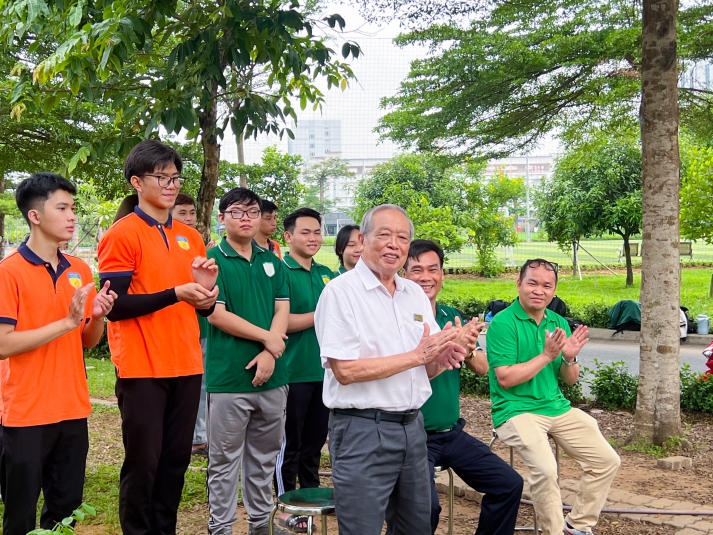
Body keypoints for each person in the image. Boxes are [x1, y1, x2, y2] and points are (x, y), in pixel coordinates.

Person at [314, 204, 467, 535]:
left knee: (415, 526)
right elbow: (345, 371)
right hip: (362, 431)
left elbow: (421, 370)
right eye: (384, 234)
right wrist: (417, 355)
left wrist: (445, 355)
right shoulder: (340, 293)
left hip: (413, 428)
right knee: (362, 528)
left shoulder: (413, 294)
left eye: (402, 237)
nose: (394, 244)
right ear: (362, 239)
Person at [98, 139, 219, 535]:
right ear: (136, 182)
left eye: (174, 177)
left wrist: (205, 295)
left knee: (175, 461)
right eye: (161, 177)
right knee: (144, 463)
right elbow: (114, 305)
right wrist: (175, 294)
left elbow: (198, 304)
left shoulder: (191, 236)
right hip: (142, 368)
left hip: (186, 362)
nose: (170, 184)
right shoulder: (123, 233)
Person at [0, 172, 116, 535]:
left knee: (65, 513)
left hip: (72, 408)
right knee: (19, 514)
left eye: (73, 208)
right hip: (24, 412)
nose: (72, 217)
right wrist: (67, 322)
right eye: (62, 208)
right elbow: (3, 344)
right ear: (35, 216)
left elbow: (86, 340)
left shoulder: (80, 270)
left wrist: (96, 318)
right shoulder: (9, 272)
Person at [486, 259, 620, 535]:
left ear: (554, 289)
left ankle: (577, 527)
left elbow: (569, 380)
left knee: (606, 461)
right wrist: (546, 355)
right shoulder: (502, 323)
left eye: (547, 285)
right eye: (532, 283)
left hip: (556, 407)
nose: (539, 290)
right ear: (519, 284)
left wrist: (569, 356)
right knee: (546, 471)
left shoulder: (557, 322)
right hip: (515, 410)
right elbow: (506, 378)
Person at [402, 239, 523, 535]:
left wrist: (466, 348)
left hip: (451, 433)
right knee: (425, 509)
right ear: (403, 274)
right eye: (417, 270)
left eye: (433, 269)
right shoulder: (399, 317)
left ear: (443, 274)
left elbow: (482, 368)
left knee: (508, 484)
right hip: (412, 435)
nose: (426, 277)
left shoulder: (450, 315)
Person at [205, 187, 290, 535]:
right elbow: (216, 315)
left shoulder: (272, 260)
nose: (246, 218)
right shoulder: (212, 260)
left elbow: (282, 307)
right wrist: (267, 338)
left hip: (274, 377)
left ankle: (261, 524)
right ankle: (221, 527)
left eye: (252, 212)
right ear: (222, 217)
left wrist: (271, 351)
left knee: (263, 459)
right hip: (228, 379)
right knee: (224, 461)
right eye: (237, 212)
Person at [274, 208, 334, 520]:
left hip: (323, 373)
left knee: (314, 445)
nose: (313, 238)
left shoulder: (326, 273)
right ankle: (286, 508)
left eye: (316, 232)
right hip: (291, 372)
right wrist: (321, 314)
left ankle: (313, 504)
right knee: (290, 446)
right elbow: (280, 323)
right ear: (288, 236)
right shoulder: (278, 271)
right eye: (305, 232)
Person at [172, 193, 210, 456]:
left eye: (191, 213)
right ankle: (193, 436)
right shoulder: (166, 245)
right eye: (181, 213)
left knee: (202, 382)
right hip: (174, 327)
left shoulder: (197, 243)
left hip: (200, 325)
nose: (188, 218)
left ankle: (199, 435)